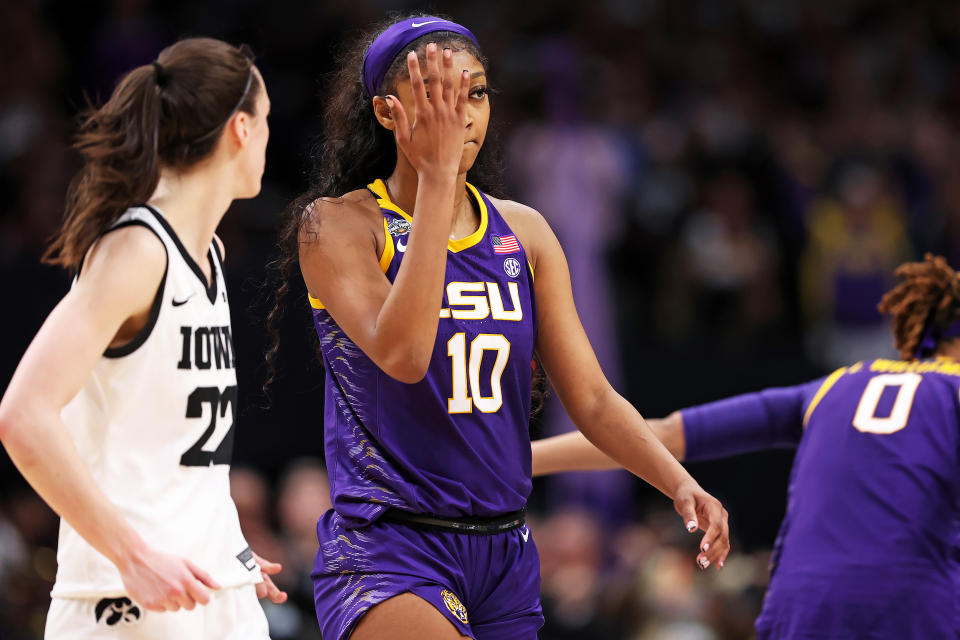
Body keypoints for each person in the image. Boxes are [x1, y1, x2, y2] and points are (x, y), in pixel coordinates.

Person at [268, 14, 729, 640]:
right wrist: (435, 181)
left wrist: (679, 484)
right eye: (436, 95)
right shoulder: (339, 225)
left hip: (504, 546)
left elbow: (591, 399)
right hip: (391, 543)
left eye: (476, 92)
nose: (460, 113)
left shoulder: (526, 233)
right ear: (386, 113)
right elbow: (403, 354)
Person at [0, 37, 286, 639]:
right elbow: (23, 416)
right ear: (239, 128)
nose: (268, 137)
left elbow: (176, 454)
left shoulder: (207, 252)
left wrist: (224, 546)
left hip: (208, 588)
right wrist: (131, 553)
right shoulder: (136, 250)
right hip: (122, 600)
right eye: (264, 121)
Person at [531, 253, 960, 639]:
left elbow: (653, 436)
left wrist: (520, 459)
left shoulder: (830, 387)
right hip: (913, 604)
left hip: (802, 609)